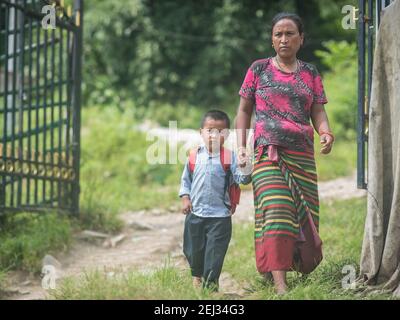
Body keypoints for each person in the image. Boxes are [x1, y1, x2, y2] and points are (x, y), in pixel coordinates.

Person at [235, 12, 334, 294]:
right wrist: (242, 147)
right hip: (268, 154)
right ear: (272, 39)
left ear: (301, 39)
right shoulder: (259, 69)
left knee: (305, 216)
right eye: (278, 34)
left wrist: (325, 132)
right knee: (276, 211)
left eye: (290, 33)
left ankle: (291, 265)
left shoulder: (310, 73)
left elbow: (318, 109)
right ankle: (280, 284)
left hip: (302, 156)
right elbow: (243, 110)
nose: (283, 39)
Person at [179, 110, 251, 291]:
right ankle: (197, 276)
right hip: (195, 213)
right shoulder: (194, 156)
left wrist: (245, 166)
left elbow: (242, 180)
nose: (214, 135)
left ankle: (210, 288)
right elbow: (186, 181)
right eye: (210, 130)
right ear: (201, 132)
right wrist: (185, 198)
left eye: (220, 131)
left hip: (220, 216)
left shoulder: (230, 158)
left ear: (226, 135)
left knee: (215, 252)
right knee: (192, 250)